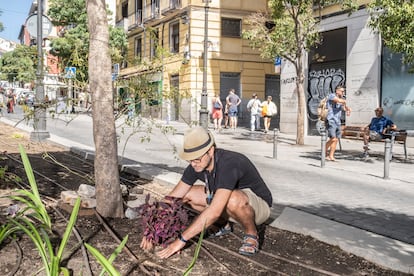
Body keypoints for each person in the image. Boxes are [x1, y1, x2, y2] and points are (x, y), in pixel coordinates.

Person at [140, 127, 272, 258]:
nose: (193, 164)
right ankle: (222, 224)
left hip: (258, 207)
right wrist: (151, 230)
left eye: (196, 159)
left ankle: (252, 234)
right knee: (186, 196)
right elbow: (172, 198)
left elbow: (214, 211)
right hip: (228, 203)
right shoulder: (196, 164)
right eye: (190, 159)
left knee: (232, 198)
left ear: (210, 150)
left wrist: (180, 241)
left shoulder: (230, 163)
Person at [325, 85, 351, 161]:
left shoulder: (342, 99)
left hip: (338, 121)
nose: (343, 93)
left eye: (344, 91)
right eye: (342, 91)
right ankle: (324, 150)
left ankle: (331, 156)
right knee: (333, 138)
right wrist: (344, 102)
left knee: (336, 139)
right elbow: (339, 101)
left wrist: (348, 109)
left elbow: (343, 108)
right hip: (331, 120)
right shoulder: (331, 96)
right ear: (337, 91)